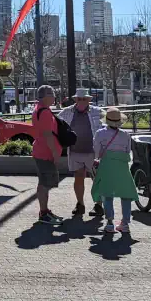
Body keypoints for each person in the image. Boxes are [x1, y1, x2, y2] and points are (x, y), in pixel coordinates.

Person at [91, 108, 139, 234]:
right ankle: (125, 223)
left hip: (107, 165)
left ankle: (110, 223)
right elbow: (128, 150)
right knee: (126, 194)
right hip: (122, 166)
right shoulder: (126, 135)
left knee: (107, 194)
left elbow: (96, 151)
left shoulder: (100, 133)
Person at [58, 89, 105, 218]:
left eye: (84, 99)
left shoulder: (98, 112)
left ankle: (99, 204)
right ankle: (80, 204)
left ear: (89, 100)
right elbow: (56, 125)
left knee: (97, 179)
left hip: (94, 152)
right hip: (75, 150)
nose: (82, 101)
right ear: (75, 100)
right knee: (78, 178)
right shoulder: (66, 112)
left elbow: (109, 126)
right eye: (79, 99)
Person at [31, 85, 64, 225]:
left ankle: (44, 211)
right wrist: (56, 153)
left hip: (40, 151)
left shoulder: (39, 109)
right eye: (52, 94)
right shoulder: (44, 112)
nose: (54, 96)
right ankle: (44, 213)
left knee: (43, 182)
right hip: (45, 153)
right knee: (46, 183)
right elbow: (47, 135)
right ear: (45, 96)